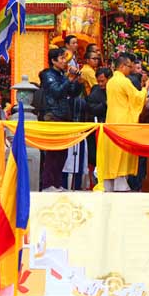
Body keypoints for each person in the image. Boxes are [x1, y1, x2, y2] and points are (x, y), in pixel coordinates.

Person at [99, 53, 149, 192]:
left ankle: (109, 182)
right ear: (122, 66)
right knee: (121, 152)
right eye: (129, 66)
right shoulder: (124, 81)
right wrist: (146, 87)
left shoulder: (111, 81)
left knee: (111, 152)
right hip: (123, 120)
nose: (131, 69)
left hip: (111, 119)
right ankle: (120, 181)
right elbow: (137, 98)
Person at [40, 48, 84, 191]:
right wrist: (68, 79)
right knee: (53, 151)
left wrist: (78, 81)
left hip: (64, 115)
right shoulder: (47, 75)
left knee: (63, 152)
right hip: (52, 115)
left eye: (65, 58)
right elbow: (57, 92)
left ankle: (57, 184)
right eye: (62, 59)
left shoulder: (61, 74)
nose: (65, 61)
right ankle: (48, 184)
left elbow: (72, 92)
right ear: (53, 61)